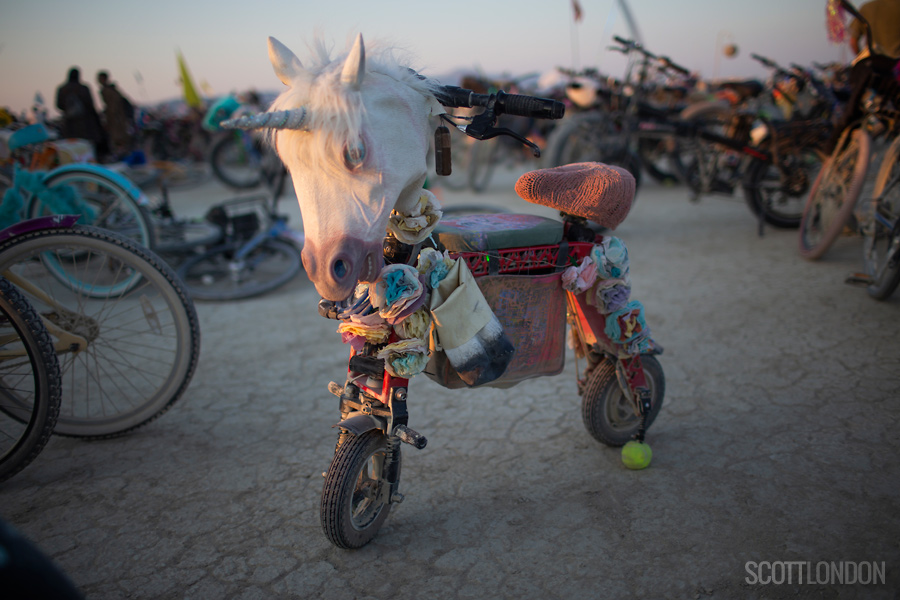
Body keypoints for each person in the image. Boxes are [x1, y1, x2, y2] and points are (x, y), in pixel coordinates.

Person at [827, 0, 900, 152]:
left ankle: (836, 147)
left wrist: (862, 55)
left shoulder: (867, 8)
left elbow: (853, 42)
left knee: (855, 109)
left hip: (872, 67)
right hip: (896, 71)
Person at [55, 67, 107, 158]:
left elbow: (59, 105)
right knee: (86, 147)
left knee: (71, 147)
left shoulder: (62, 89)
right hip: (85, 125)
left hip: (69, 125)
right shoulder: (83, 88)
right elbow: (90, 105)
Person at [96, 70, 135, 159]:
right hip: (117, 118)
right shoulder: (111, 89)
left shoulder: (108, 90)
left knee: (118, 139)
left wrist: (108, 118)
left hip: (116, 119)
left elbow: (113, 106)